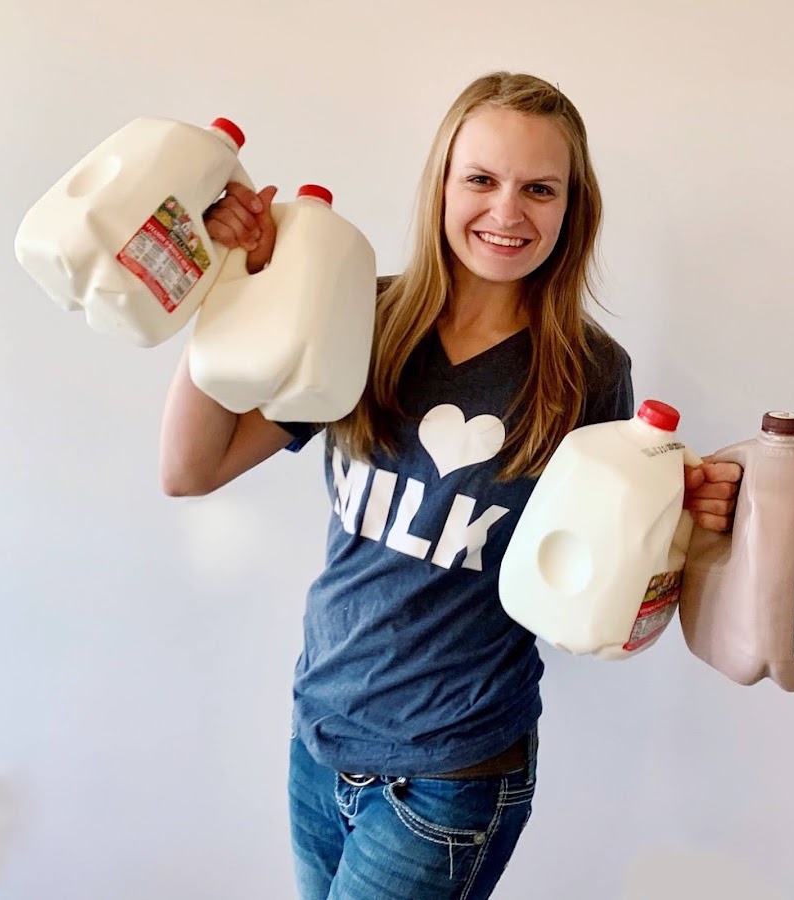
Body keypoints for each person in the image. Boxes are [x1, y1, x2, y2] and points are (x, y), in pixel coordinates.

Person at [160, 71, 742, 900]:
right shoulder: (360, 316)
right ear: (441, 185)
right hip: (317, 741)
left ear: (572, 210)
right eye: (482, 179)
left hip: (450, 778)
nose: (508, 212)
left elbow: (607, 588)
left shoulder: (586, 377)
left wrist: (688, 521)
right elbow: (191, 468)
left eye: (540, 189)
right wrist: (229, 294)